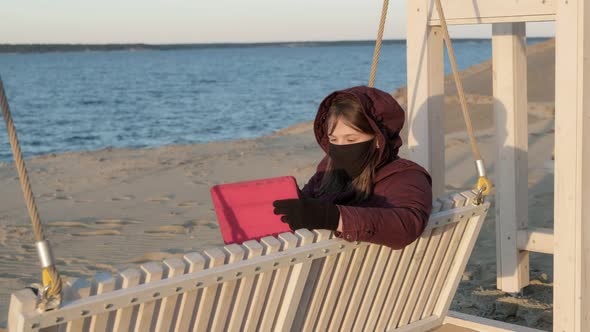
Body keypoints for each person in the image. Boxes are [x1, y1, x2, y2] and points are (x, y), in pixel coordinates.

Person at [272, 86, 433, 250]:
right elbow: (304, 206)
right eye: (333, 140)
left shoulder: (406, 177)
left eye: (350, 140)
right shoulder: (327, 172)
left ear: (378, 139)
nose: (340, 148)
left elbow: (407, 225)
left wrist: (332, 217)